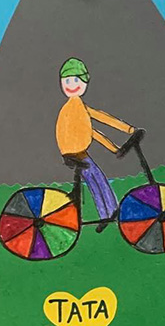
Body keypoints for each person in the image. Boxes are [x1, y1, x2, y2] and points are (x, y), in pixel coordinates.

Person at [55, 58, 139, 227]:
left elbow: (94, 131)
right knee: (98, 180)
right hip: (75, 154)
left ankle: (106, 214)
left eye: (76, 80)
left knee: (95, 179)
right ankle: (109, 212)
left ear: (85, 82)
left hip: (78, 153)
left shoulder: (79, 108)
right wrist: (129, 131)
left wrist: (116, 146)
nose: (72, 85)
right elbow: (97, 123)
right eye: (68, 81)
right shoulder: (72, 109)